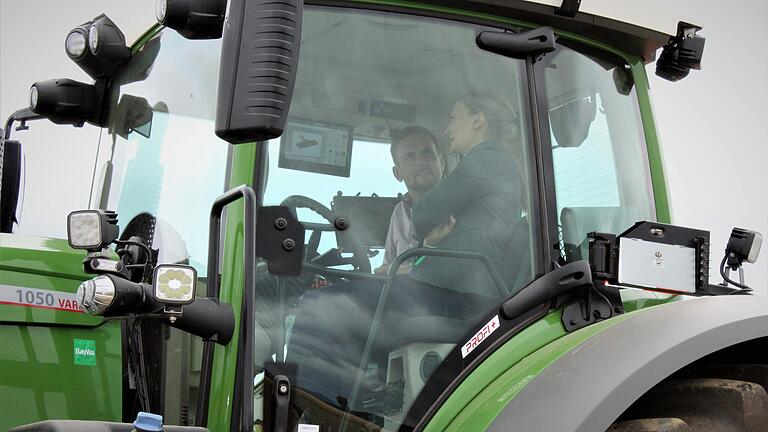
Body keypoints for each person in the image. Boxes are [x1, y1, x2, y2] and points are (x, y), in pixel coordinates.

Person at [408, 89, 525, 295]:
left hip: (455, 292)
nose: (447, 129)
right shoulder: (496, 161)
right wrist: (429, 244)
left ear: (478, 120)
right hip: (462, 289)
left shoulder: (487, 158)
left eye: (453, 118)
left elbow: (422, 214)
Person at [375, 126, 444, 275]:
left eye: (428, 153)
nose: (421, 162)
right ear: (397, 173)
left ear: (442, 163)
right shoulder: (399, 212)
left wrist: (405, 270)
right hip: (398, 294)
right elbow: (386, 269)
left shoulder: (459, 204)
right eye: (410, 157)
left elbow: (457, 269)